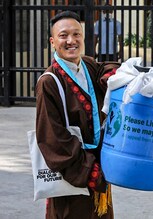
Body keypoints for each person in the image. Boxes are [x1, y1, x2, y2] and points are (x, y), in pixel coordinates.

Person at [35, 11, 120, 219]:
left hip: (99, 169)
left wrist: (110, 78)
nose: (71, 41)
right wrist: (91, 172)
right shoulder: (49, 82)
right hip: (75, 175)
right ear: (53, 42)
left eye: (76, 34)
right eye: (64, 36)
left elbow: (104, 70)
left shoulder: (88, 65)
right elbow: (53, 139)